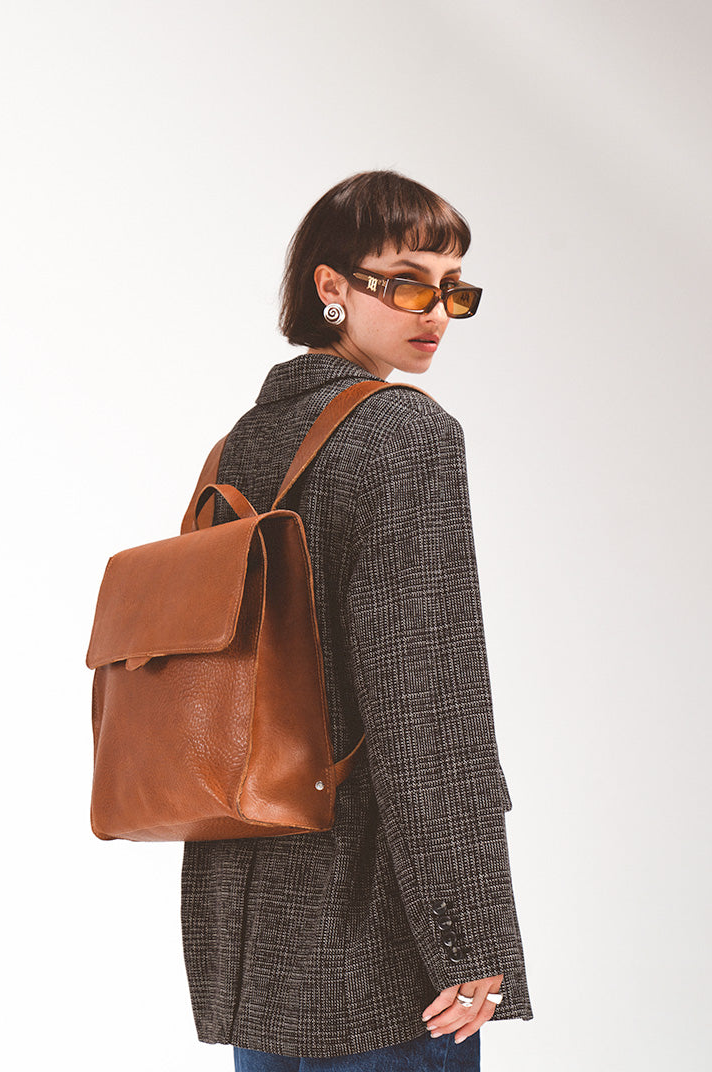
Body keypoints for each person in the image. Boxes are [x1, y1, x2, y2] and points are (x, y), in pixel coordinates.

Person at [180, 171, 532, 1071]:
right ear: (329, 285)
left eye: (455, 289)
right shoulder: (404, 433)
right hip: (382, 933)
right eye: (408, 281)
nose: (437, 312)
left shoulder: (242, 443)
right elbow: (427, 706)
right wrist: (472, 935)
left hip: (254, 932)